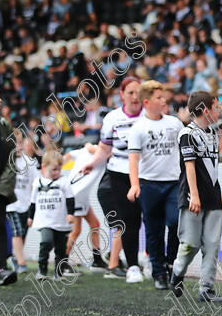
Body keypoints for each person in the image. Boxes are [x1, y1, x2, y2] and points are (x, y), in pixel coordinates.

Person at [82, 77, 142, 282]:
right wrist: (93, 164)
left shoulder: (150, 116)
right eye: (131, 93)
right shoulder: (112, 118)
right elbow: (104, 149)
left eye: (139, 92)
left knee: (150, 220)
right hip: (118, 176)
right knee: (125, 221)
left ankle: (155, 265)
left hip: (147, 175)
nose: (135, 97)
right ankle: (122, 265)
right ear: (121, 95)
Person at [127, 80, 185, 291]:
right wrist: (135, 185)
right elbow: (133, 159)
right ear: (147, 101)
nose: (163, 100)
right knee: (154, 230)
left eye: (163, 97)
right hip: (149, 185)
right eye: (159, 97)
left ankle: (171, 262)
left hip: (172, 183)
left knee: (176, 223)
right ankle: (159, 272)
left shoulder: (175, 123)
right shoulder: (138, 128)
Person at [171, 91, 222, 302]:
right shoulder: (187, 133)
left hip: (213, 196)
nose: (219, 111)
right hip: (192, 197)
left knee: (212, 244)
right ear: (205, 110)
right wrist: (194, 195)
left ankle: (206, 288)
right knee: (190, 244)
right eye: (216, 107)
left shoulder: (213, 133)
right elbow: (189, 166)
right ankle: (177, 271)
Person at [29, 151, 76, 280]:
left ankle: (58, 272)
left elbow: (70, 200)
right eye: (54, 169)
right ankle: (42, 269)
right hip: (44, 221)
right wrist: (30, 217)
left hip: (61, 222)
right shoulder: (37, 183)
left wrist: (71, 214)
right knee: (46, 242)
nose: (57, 172)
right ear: (43, 167)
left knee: (61, 248)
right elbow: (33, 202)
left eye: (59, 169)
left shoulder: (64, 182)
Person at [63, 143, 109, 273]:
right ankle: (63, 263)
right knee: (76, 231)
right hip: (76, 194)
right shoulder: (101, 152)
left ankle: (97, 260)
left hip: (81, 195)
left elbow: (68, 155)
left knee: (95, 224)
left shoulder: (89, 150)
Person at [0, 84, 18, 285]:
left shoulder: (3, 124)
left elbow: (11, 156)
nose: (0, 100)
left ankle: (2, 269)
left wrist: (2, 188)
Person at [6, 129, 39, 274]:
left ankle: (15, 257)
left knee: (23, 233)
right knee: (17, 232)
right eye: (14, 144)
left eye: (20, 143)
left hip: (26, 204)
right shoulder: (6, 161)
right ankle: (21, 263)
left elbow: (35, 183)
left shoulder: (29, 162)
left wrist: (34, 202)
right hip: (11, 205)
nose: (18, 146)